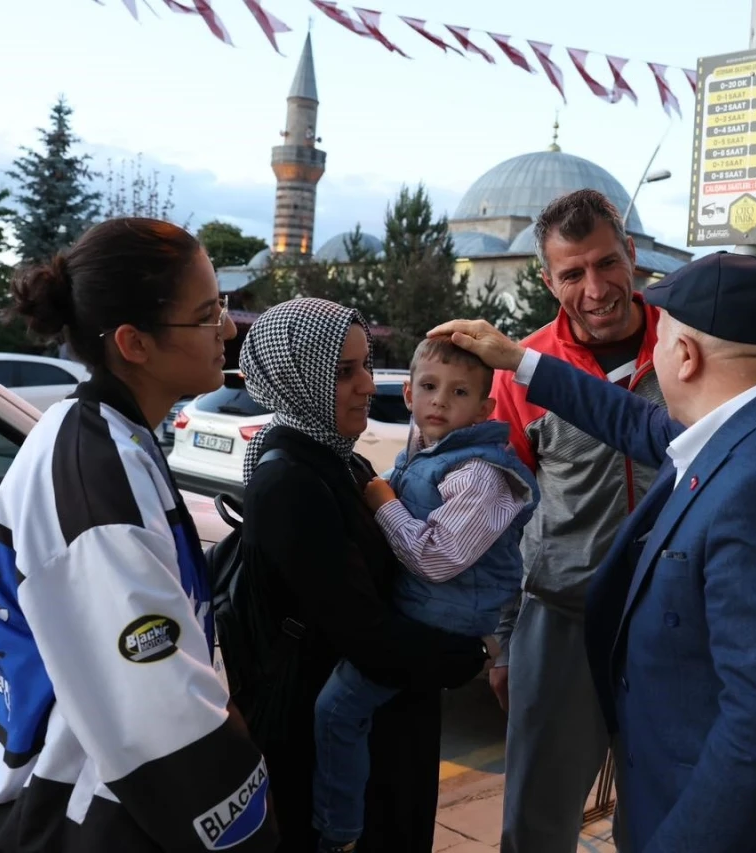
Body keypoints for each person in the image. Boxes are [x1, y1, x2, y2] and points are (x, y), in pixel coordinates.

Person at [433, 250, 756, 853]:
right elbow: (630, 420)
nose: (654, 350)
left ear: (685, 356)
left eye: (661, 337)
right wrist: (519, 360)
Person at [0, 218, 280, 852]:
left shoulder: (104, 435)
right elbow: (158, 711)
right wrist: (253, 834)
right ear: (135, 343)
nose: (228, 330)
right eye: (207, 314)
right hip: (77, 819)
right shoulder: (96, 476)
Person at [231, 299, 490, 853]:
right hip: (331, 750)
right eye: (344, 371)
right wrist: (465, 655)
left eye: (366, 365)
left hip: (378, 725)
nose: (369, 385)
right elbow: (362, 631)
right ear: (298, 379)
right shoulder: (292, 482)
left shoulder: (337, 458)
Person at [481, 189, 665, 853]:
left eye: (607, 262)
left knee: (668, 817)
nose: (595, 288)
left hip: (673, 622)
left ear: (632, 254)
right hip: (562, 619)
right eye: (572, 273)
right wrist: (503, 638)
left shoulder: (687, 346)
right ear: (546, 280)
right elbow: (499, 514)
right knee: (538, 821)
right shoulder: (521, 370)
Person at [310, 336, 539, 852]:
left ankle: (336, 832)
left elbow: (437, 557)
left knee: (337, 709)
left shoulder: (481, 473)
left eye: (459, 392)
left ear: (484, 409)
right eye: (431, 387)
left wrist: (382, 502)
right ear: (410, 395)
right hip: (428, 608)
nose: (440, 401)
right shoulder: (429, 454)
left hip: (445, 617)